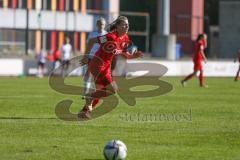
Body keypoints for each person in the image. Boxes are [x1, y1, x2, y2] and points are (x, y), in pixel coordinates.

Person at [79, 16, 143, 118]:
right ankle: (89, 99)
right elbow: (91, 41)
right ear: (117, 26)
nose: (127, 26)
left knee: (103, 91)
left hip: (106, 68)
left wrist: (133, 56)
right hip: (97, 65)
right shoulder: (110, 37)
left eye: (128, 25)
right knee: (111, 89)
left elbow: (125, 54)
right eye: (124, 24)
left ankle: (84, 111)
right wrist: (85, 57)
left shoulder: (125, 38)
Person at [83, 17, 108, 99]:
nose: (101, 25)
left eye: (103, 24)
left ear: (105, 25)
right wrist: (86, 56)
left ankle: (97, 92)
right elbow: (88, 45)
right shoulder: (92, 34)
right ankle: (85, 92)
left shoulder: (106, 34)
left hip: (101, 57)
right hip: (91, 56)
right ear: (97, 25)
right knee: (88, 73)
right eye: (100, 24)